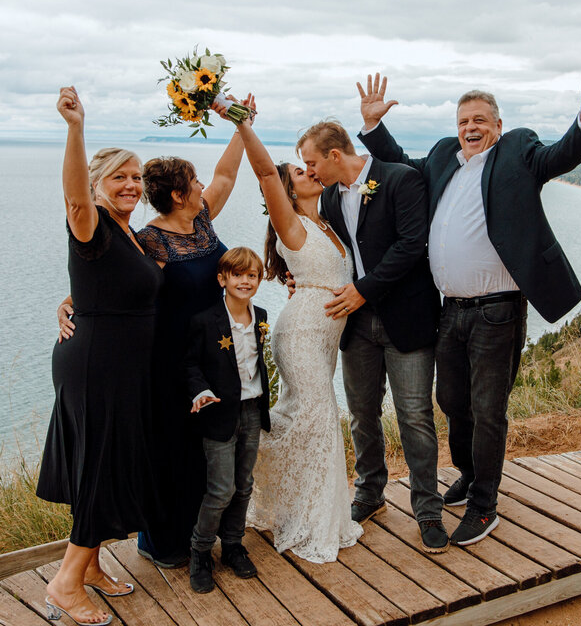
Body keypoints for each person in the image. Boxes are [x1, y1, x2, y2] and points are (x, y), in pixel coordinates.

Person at [356, 59, 581, 546]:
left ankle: (485, 505)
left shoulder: (517, 152)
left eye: (479, 121)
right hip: (451, 309)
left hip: (498, 307)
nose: (470, 128)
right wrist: (372, 126)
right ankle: (470, 474)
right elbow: (404, 167)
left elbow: (563, 155)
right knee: (452, 401)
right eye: (463, 121)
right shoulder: (446, 156)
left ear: (497, 125)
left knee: (488, 409)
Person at [57, 110, 250, 568]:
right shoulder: (149, 239)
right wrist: (70, 303)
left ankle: (216, 535)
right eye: (194, 182)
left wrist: (243, 125)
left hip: (213, 352)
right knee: (172, 452)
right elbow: (111, 278)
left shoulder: (202, 220)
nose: (204, 187)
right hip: (168, 359)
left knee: (215, 451)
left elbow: (226, 174)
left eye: (134, 177)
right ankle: (166, 543)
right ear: (180, 193)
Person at [214, 105, 364, 563]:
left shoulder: (330, 219)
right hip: (299, 334)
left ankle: (250, 449)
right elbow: (263, 172)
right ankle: (309, 522)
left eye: (310, 165)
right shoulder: (290, 221)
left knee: (307, 419)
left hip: (327, 339)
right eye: (299, 171)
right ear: (285, 188)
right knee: (320, 420)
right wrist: (242, 123)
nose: (310, 172)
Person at [37, 86, 162, 626]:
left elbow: (106, 288)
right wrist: (75, 128)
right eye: (120, 177)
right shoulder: (90, 223)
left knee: (106, 464)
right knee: (102, 468)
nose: (132, 184)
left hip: (118, 364)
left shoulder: (130, 234)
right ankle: (65, 583)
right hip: (97, 364)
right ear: (96, 185)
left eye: (136, 177)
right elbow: (73, 200)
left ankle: (88, 568)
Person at [296, 120, 447, 553]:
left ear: (334, 156)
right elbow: (331, 253)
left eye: (312, 162)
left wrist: (363, 290)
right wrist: (305, 280)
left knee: (414, 416)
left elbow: (411, 245)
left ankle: (428, 508)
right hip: (355, 324)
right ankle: (369, 492)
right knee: (362, 412)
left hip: (406, 318)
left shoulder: (401, 179)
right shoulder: (327, 196)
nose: (309, 172)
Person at [183, 247, 271, 593]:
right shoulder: (205, 321)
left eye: (252, 275)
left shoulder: (261, 315)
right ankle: (200, 551)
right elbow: (189, 365)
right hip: (219, 412)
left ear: (259, 280)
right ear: (223, 279)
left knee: (245, 483)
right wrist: (200, 392)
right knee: (222, 489)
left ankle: (233, 545)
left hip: (252, 409)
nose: (245, 281)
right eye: (237, 275)